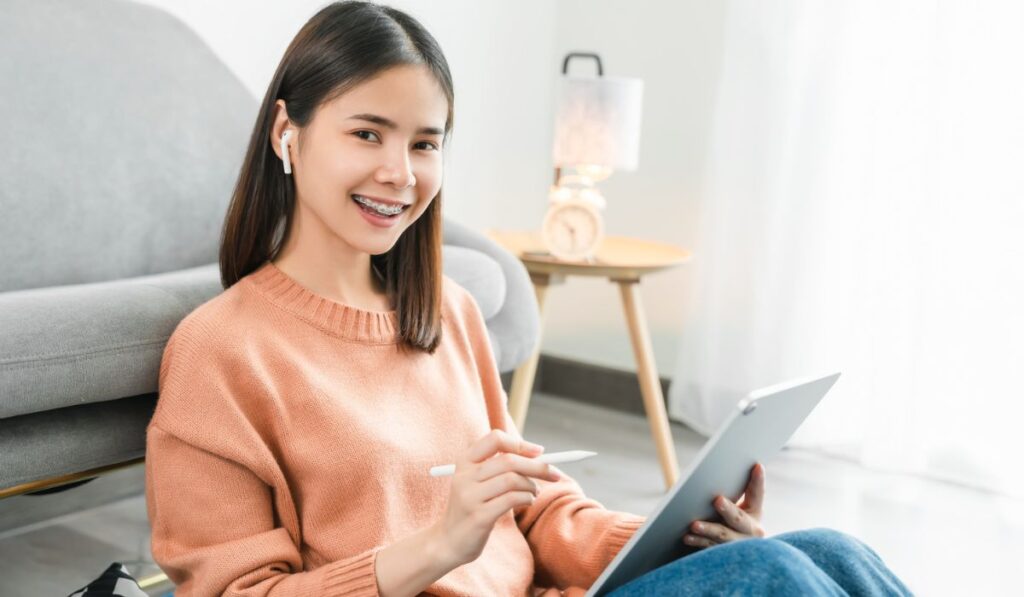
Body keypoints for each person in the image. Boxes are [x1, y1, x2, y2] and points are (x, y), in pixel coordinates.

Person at [143, 2, 914, 595]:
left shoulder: (448, 314)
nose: (400, 173)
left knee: (830, 551)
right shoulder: (222, 351)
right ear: (288, 132)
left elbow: (536, 508)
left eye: (425, 142)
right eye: (368, 134)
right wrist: (439, 546)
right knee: (773, 578)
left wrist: (673, 536)